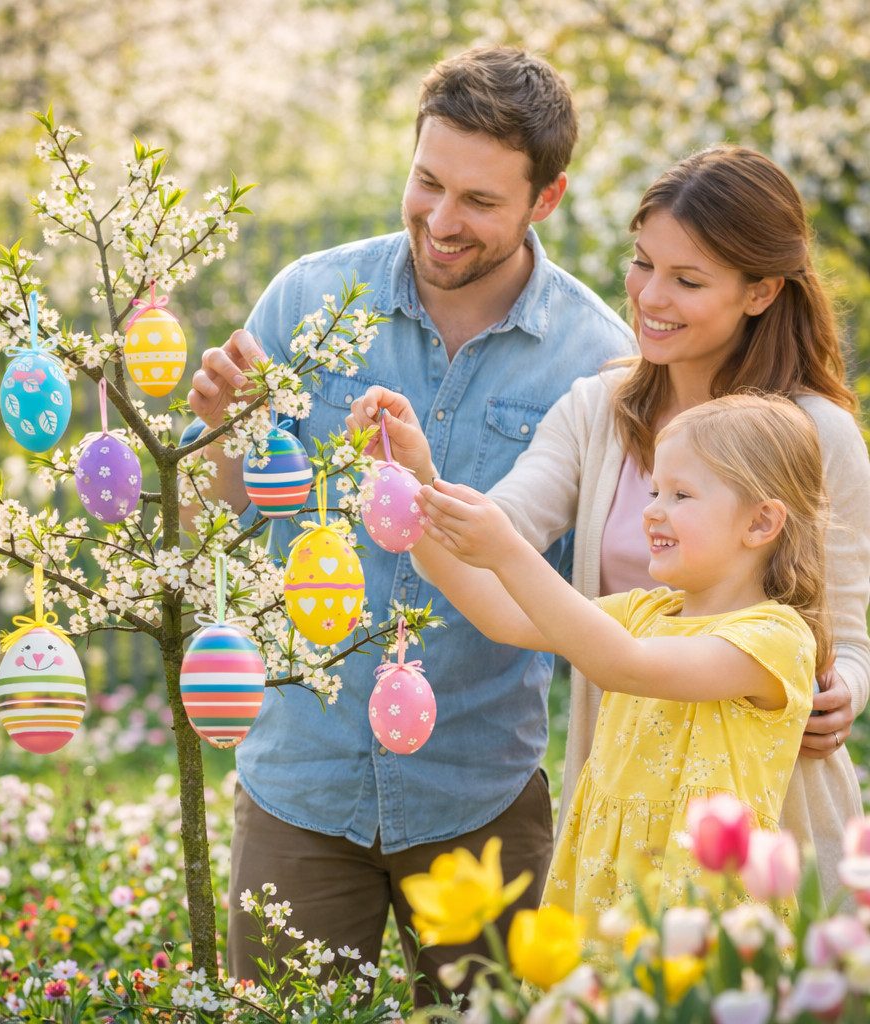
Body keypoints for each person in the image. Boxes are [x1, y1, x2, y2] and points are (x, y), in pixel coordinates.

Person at [185, 46, 634, 999]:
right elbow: (208, 502)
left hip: (481, 796)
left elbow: (599, 590)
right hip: (301, 785)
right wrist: (226, 429)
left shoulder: (598, 361)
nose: (440, 218)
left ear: (544, 201)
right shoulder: (312, 300)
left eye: (479, 200)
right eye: (426, 181)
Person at [348, 145, 870, 903]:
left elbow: (847, 629)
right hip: (628, 835)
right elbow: (505, 562)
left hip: (763, 840)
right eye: (642, 264)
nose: (650, 297)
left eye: (687, 280)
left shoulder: (817, 434)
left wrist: (841, 689)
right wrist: (416, 486)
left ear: (760, 292)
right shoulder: (599, 412)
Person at [413, 394, 823, 935]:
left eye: (681, 495)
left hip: (698, 912)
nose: (652, 509)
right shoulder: (643, 610)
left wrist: (508, 550)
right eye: (654, 490)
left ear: (761, 522)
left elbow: (623, 665)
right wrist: (416, 481)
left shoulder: (774, 639)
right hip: (606, 884)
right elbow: (501, 614)